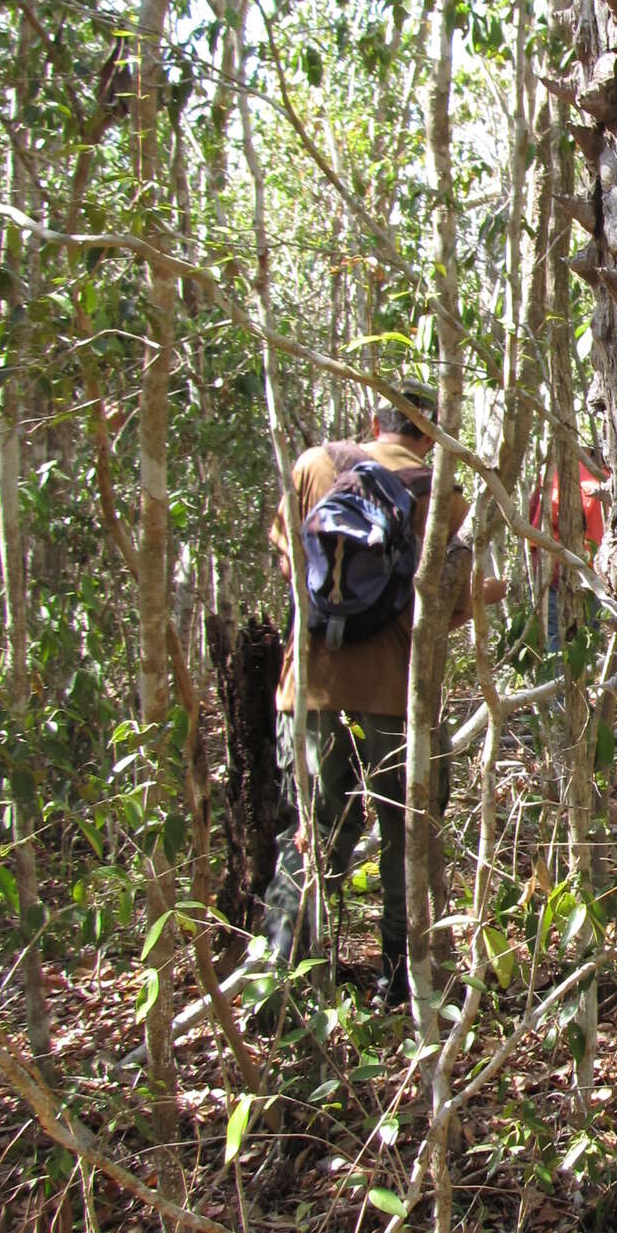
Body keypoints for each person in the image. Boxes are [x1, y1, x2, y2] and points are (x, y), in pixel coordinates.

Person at [260, 385, 504, 1009]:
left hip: (309, 688)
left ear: (375, 421)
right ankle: (403, 983)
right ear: (432, 432)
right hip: (398, 697)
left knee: (312, 835)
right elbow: (442, 605)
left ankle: (279, 988)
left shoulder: (315, 465)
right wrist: (486, 596)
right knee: (409, 836)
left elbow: (290, 561)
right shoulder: (442, 494)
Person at [528, 453, 607, 654]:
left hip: (594, 584)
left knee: (584, 650)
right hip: (561, 582)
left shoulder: (610, 477)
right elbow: (537, 533)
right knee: (560, 653)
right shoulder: (565, 476)